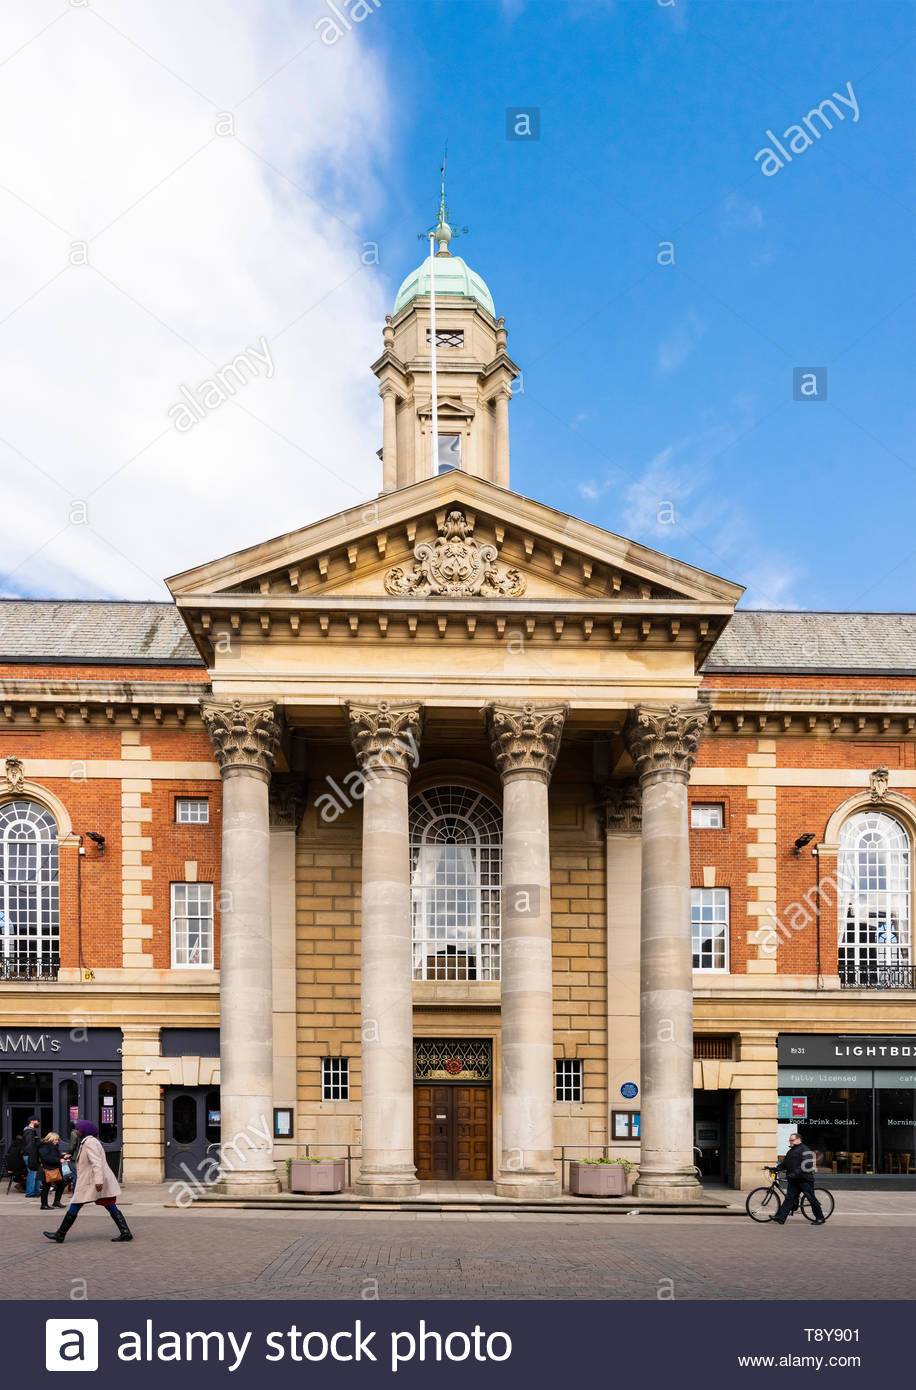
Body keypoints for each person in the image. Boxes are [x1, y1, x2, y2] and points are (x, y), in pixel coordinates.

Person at [42, 1121, 133, 1244]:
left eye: (77, 1129)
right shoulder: (89, 1142)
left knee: (77, 1203)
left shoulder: (89, 1143)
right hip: (93, 1180)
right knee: (108, 1204)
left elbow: (96, 1162)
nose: (75, 1131)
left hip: (92, 1181)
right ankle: (125, 1232)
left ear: (84, 1130)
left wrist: (99, 1181)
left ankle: (60, 1234)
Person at [772, 1133, 826, 1225]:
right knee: (789, 1198)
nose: (790, 1142)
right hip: (794, 1180)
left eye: (792, 1140)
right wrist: (776, 1168)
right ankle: (780, 1217)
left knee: (811, 1199)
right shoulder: (791, 1151)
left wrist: (794, 1174)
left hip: (804, 1180)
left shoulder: (805, 1149)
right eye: (790, 1140)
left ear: (798, 1140)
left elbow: (806, 1165)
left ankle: (820, 1218)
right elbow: (785, 1163)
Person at [38, 1132, 68, 1211]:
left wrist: (62, 1156)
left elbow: (53, 1156)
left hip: (54, 1169)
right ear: (51, 1139)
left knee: (61, 1184)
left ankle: (56, 1202)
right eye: (56, 1139)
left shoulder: (53, 1146)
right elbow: (46, 1158)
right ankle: (44, 1205)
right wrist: (59, 1160)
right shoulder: (44, 1146)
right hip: (47, 1170)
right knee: (46, 1187)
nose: (57, 1141)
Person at [22, 1118, 42, 1198]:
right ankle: (30, 1193)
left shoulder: (31, 1131)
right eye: (38, 1121)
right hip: (31, 1155)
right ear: (32, 1121)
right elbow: (30, 1146)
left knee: (35, 1173)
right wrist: (32, 1155)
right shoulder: (29, 1131)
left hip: (32, 1155)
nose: (39, 1123)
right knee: (32, 1173)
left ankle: (36, 1191)